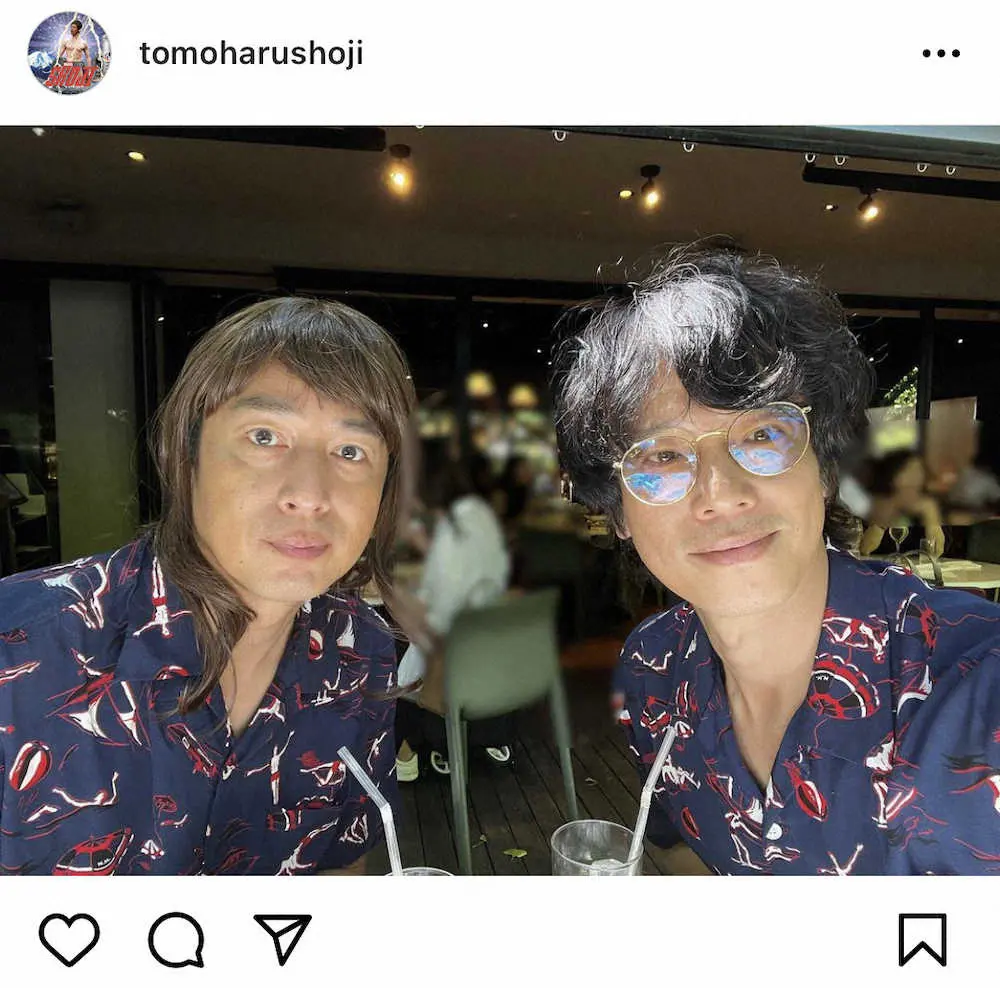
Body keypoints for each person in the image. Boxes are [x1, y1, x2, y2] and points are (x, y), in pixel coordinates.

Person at [552, 242, 1000, 875]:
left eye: (763, 434)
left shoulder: (975, 692)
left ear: (825, 467)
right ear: (620, 512)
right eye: (663, 455)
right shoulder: (653, 674)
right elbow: (687, 855)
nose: (720, 494)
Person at [0, 297, 420, 875]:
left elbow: (341, 866)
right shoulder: (17, 651)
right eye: (265, 436)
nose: (310, 494)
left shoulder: (359, 650)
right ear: (187, 453)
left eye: (351, 451)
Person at [395, 440, 511, 778]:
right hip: (496, 643)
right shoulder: (478, 515)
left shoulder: (454, 525)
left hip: (457, 654)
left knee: (390, 649)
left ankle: (408, 750)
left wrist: (409, 597)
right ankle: (470, 737)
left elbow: (441, 603)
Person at [857, 450, 945, 557]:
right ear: (893, 476)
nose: (916, 478)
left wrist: (931, 516)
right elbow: (864, 549)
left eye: (920, 472)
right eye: (909, 471)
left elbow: (937, 551)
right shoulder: (876, 505)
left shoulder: (927, 507)